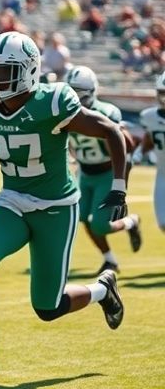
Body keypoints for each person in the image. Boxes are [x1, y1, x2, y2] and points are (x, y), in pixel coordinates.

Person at [0, 31, 128, 389]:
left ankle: (100, 291)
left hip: (56, 208)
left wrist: (119, 187)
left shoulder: (53, 102)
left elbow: (111, 131)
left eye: (7, 72)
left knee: (48, 308)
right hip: (12, 200)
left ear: (29, 71)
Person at [66, 66, 142, 273]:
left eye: (80, 94)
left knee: (100, 225)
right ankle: (110, 260)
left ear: (91, 92)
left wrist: (121, 183)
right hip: (85, 172)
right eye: (71, 93)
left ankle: (131, 222)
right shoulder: (63, 111)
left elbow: (128, 145)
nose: (76, 99)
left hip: (106, 173)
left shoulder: (106, 112)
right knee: (79, 217)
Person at [133, 71, 165, 232]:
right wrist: (140, 150)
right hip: (162, 174)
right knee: (163, 223)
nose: (164, 98)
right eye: (162, 93)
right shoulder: (149, 116)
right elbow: (152, 138)